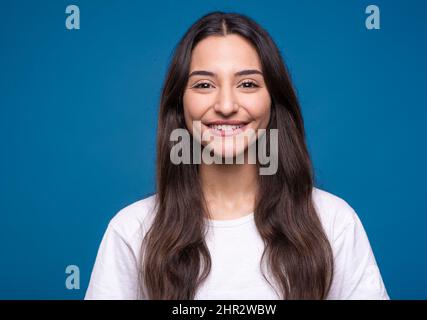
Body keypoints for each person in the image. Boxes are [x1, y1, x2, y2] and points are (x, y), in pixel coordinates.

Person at [85, 11, 389, 300]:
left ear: (274, 101)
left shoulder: (334, 222)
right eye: (204, 84)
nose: (227, 105)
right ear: (180, 105)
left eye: (247, 84)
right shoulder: (132, 231)